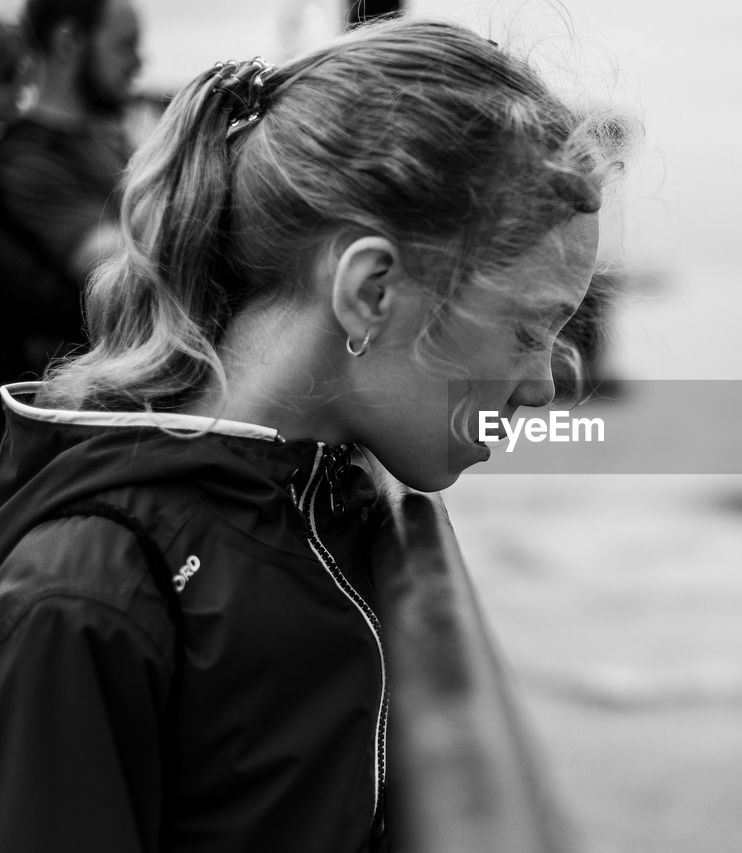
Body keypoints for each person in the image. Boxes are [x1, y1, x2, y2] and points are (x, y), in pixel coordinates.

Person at [0, 16, 624, 853]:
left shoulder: (328, 501)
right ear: (371, 291)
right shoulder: (91, 594)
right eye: (528, 328)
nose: (549, 385)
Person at [0, 0, 141, 380]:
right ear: (68, 41)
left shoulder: (108, 146)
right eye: (125, 45)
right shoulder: (26, 161)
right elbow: (118, 267)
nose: (138, 63)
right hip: (80, 404)